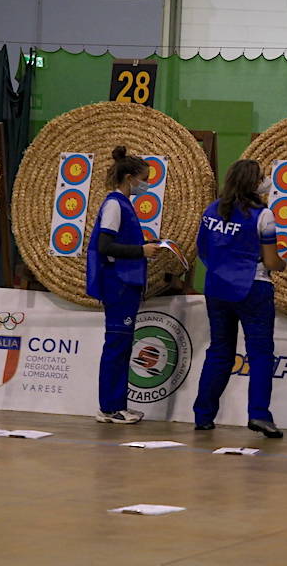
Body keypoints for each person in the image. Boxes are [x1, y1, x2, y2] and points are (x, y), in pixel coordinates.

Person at [193, 159, 287, 437]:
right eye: (262, 177)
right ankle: (259, 415)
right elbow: (271, 262)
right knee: (260, 354)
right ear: (253, 183)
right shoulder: (263, 215)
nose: (266, 180)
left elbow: (202, 251)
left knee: (220, 351)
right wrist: (284, 264)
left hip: (217, 289)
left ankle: (203, 415)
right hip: (253, 288)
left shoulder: (211, 210)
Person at [87, 146, 160, 424]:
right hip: (118, 283)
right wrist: (141, 251)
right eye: (145, 178)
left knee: (121, 345)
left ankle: (115, 405)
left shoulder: (123, 204)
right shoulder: (115, 204)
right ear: (130, 178)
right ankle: (110, 408)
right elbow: (105, 245)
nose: (147, 184)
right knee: (117, 345)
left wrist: (145, 246)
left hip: (124, 283)